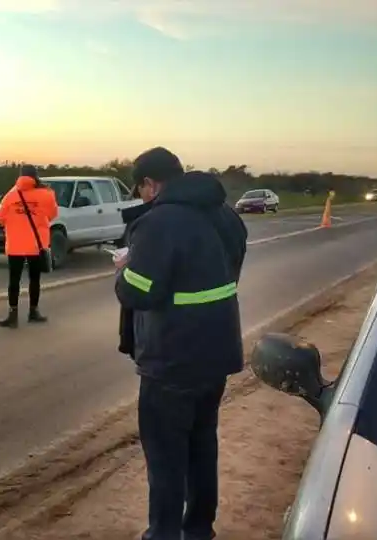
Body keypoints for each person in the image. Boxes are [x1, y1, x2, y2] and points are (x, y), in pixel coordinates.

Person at [114, 147, 247, 540]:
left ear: (150, 184)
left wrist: (124, 270)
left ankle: (164, 534)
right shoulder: (226, 214)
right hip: (216, 354)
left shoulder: (159, 222)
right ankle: (200, 530)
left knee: (167, 458)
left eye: (141, 190)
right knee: (202, 447)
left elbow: (138, 292)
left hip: (172, 360)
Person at [0, 164, 57, 327]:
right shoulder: (47, 194)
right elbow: (52, 215)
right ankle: (33, 311)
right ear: (36, 176)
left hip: (15, 244)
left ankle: (12, 314)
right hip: (36, 245)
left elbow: (0, 218)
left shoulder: (11, 195)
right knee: (34, 279)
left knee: (13, 280)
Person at [116, 180, 155, 359]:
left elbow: (132, 291)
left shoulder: (153, 222)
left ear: (149, 184)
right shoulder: (222, 215)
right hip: (217, 340)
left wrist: (125, 266)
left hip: (161, 345)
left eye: (140, 190)